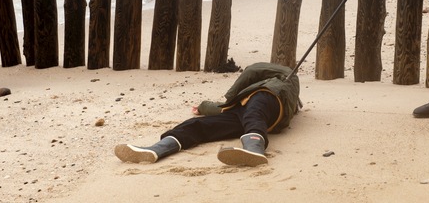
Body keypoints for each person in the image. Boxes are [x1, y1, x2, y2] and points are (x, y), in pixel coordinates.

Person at [114, 62, 300, 166]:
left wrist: (229, 96)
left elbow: (251, 71)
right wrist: (204, 108)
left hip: (267, 98)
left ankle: (255, 150)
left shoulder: (281, 76)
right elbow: (222, 108)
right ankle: (157, 149)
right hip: (243, 111)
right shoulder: (288, 95)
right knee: (201, 125)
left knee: (253, 115)